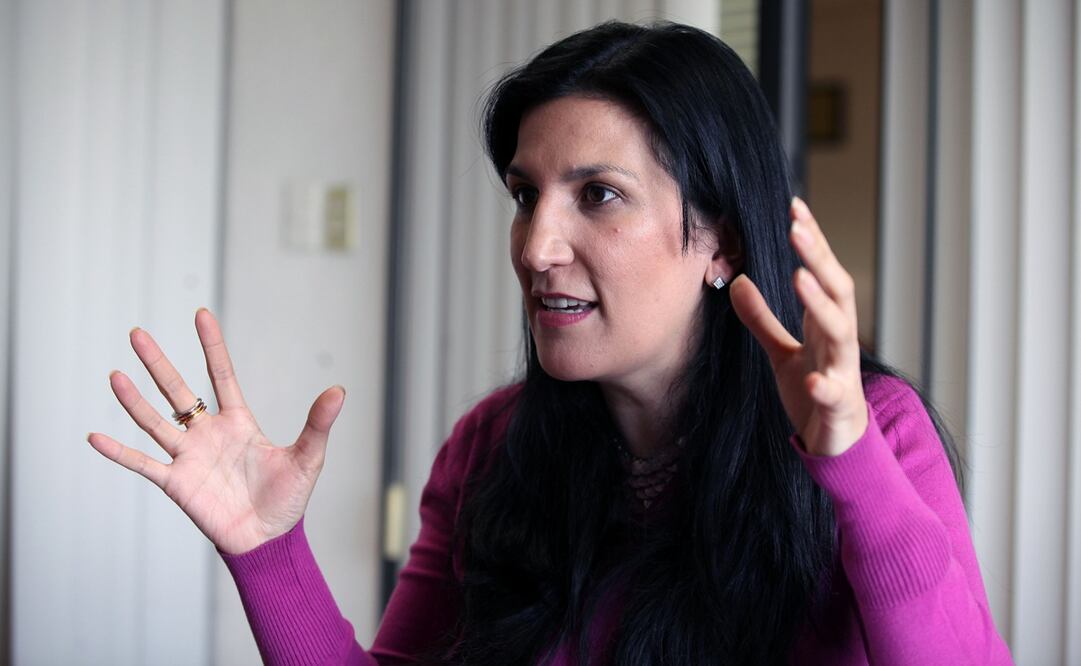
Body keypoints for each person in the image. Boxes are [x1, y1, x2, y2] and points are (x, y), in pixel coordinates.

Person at [90, 21, 1011, 665]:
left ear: (719, 241)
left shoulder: (874, 435)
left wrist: (847, 466)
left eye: (597, 195)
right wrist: (268, 551)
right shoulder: (490, 447)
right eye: (527, 194)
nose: (535, 247)